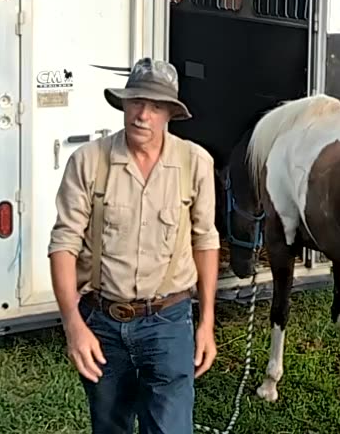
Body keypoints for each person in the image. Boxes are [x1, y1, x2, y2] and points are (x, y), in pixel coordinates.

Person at [48, 57, 220, 434]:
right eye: (136, 102)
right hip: (103, 322)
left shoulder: (195, 163)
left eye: (156, 106)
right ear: (123, 105)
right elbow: (63, 243)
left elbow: (205, 240)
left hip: (169, 321)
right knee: (110, 427)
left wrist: (206, 323)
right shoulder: (89, 162)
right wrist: (73, 325)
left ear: (170, 114)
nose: (143, 115)